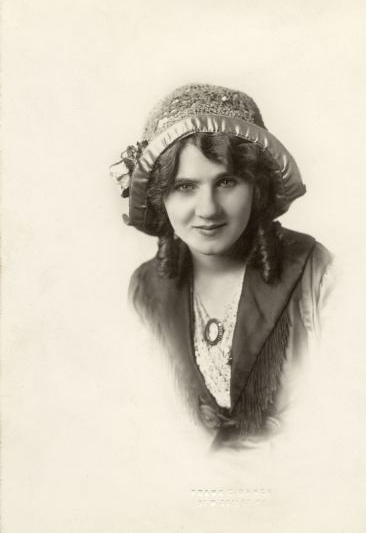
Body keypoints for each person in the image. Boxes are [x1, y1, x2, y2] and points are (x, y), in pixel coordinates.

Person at [110, 83, 333, 449]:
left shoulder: (315, 273)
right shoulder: (145, 290)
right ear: (160, 196)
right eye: (185, 187)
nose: (208, 209)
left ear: (256, 187)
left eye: (227, 181)